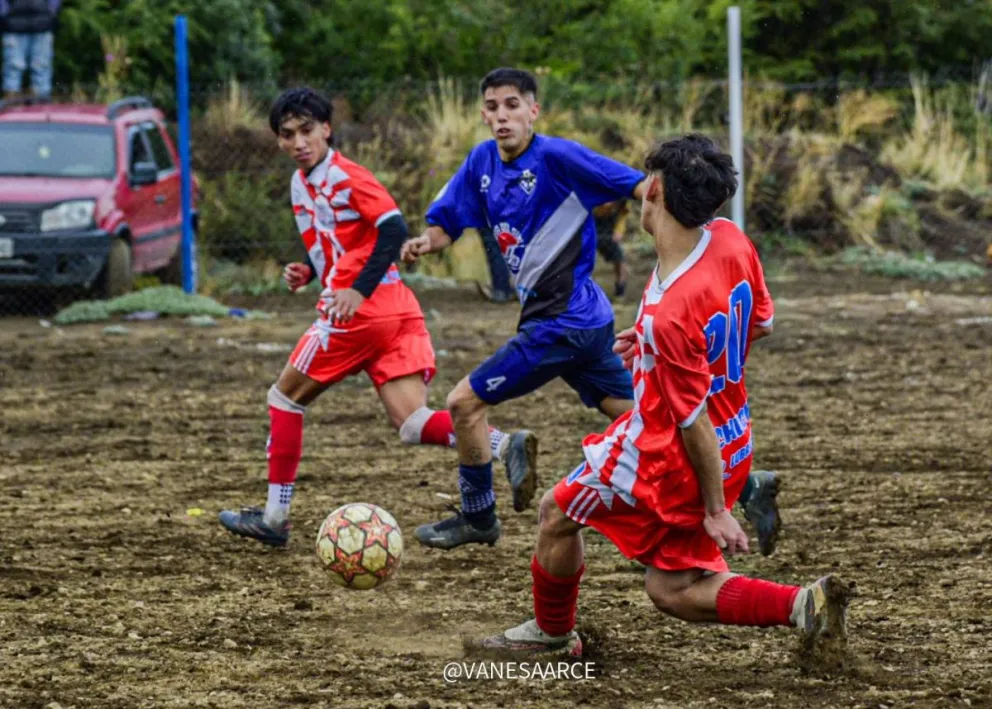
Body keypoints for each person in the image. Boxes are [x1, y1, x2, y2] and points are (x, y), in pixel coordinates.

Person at [478, 135, 852, 662]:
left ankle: (553, 634)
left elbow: (690, 419)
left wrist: (718, 510)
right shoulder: (728, 239)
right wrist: (656, 348)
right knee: (669, 589)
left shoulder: (671, 311)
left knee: (557, 513)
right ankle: (802, 604)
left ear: (653, 189)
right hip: (735, 436)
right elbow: (758, 324)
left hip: (667, 454)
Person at [401, 68, 780, 553]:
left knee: (462, 404)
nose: (502, 116)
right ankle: (746, 485)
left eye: (513, 105)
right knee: (647, 414)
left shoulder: (558, 157)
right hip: (590, 322)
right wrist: (424, 243)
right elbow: (448, 221)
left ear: (533, 110)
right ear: (483, 113)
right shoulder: (481, 164)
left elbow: (638, 185)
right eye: (493, 107)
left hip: (562, 323)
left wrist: (692, 223)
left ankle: (479, 517)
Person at [218, 88, 535, 547]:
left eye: (307, 130)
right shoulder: (302, 183)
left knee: (284, 400)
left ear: (326, 129)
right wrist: (310, 271)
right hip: (396, 310)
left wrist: (355, 290)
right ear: (279, 140)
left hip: (361, 313)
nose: (298, 141)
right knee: (411, 422)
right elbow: (346, 243)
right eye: (287, 134)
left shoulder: (348, 175)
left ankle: (273, 518)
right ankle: (506, 445)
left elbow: (392, 229)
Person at [1, 0, 60, 100]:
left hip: (43, 23)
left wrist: (50, 9)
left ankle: (41, 104)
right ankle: (10, 105)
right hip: (13, 24)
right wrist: (3, 10)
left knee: (41, 66)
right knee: (13, 67)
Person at [592, 199, 630, 298]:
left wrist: (619, 231)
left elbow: (623, 215)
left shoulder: (623, 199)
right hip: (592, 224)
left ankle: (620, 288)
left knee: (619, 258)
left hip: (610, 229)